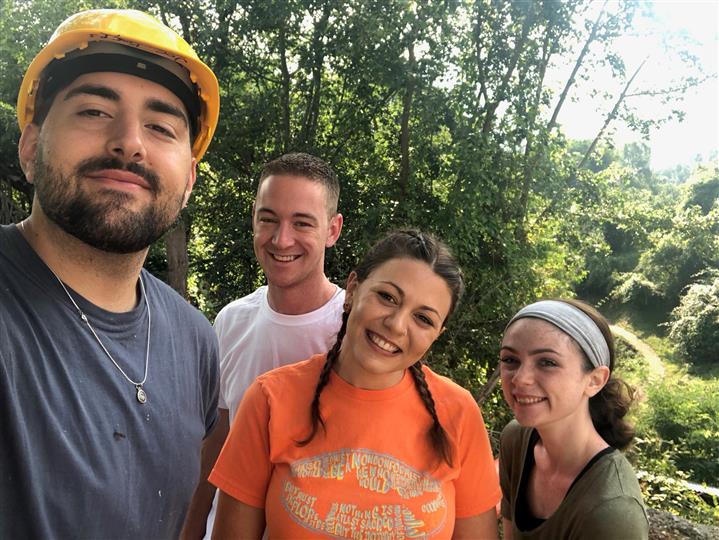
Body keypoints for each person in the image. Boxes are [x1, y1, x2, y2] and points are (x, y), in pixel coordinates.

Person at [1, 9, 221, 538]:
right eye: (95, 111)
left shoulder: (195, 340)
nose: (130, 143)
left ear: (188, 180)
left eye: (161, 126)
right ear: (31, 148)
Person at [209, 230, 501, 539]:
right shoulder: (270, 399)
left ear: (436, 335)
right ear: (352, 290)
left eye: (423, 319)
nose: (397, 325)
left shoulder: (458, 412)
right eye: (387, 297)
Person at [181, 152, 344, 539]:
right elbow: (217, 442)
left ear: (332, 230)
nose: (280, 239)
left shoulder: (353, 333)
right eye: (268, 219)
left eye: (301, 222)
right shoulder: (231, 321)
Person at [498, 299, 649, 539]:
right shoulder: (515, 439)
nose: (520, 378)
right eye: (510, 360)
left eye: (547, 362)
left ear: (594, 380)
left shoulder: (612, 511)